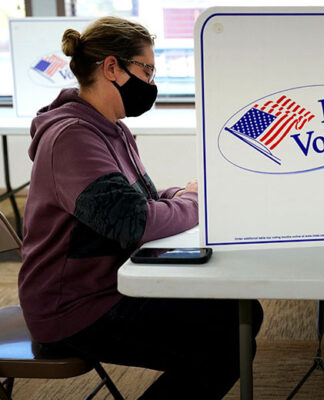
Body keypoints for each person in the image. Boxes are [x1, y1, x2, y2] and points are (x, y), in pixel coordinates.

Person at [18, 17, 263, 399]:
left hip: (109, 283)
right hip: (73, 307)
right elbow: (132, 222)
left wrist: (180, 193)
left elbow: (139, 199)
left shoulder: (110, 128)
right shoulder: (72, 138)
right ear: (112, 67)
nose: (151, 84)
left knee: (238, 315)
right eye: (146, 70)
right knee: (228, 337)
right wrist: (194, 202)